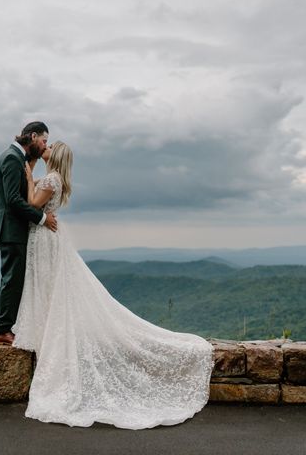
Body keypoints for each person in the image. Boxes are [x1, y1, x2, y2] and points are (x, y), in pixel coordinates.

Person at [11, 141, 214, 430]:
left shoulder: (52, 178)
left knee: (51, 290)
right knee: (49, 290)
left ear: (55, 156)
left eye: (51, 145)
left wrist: (29, 177)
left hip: (46, 239)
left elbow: (32, 204)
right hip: (45, 238)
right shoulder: (56, 177)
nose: (48, 145)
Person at [0, 121, 58, 345]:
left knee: (15, 278)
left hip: (13, 229)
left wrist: (34, 163)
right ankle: (2, 330)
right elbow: (13, 200)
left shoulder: (17, 157)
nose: (45, 145)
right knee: (12, 280)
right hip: (11, 229)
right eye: (44, 141)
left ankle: (7, 326)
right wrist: (42, 218)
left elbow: (21, 189)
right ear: (33, 136)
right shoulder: (11, 158)